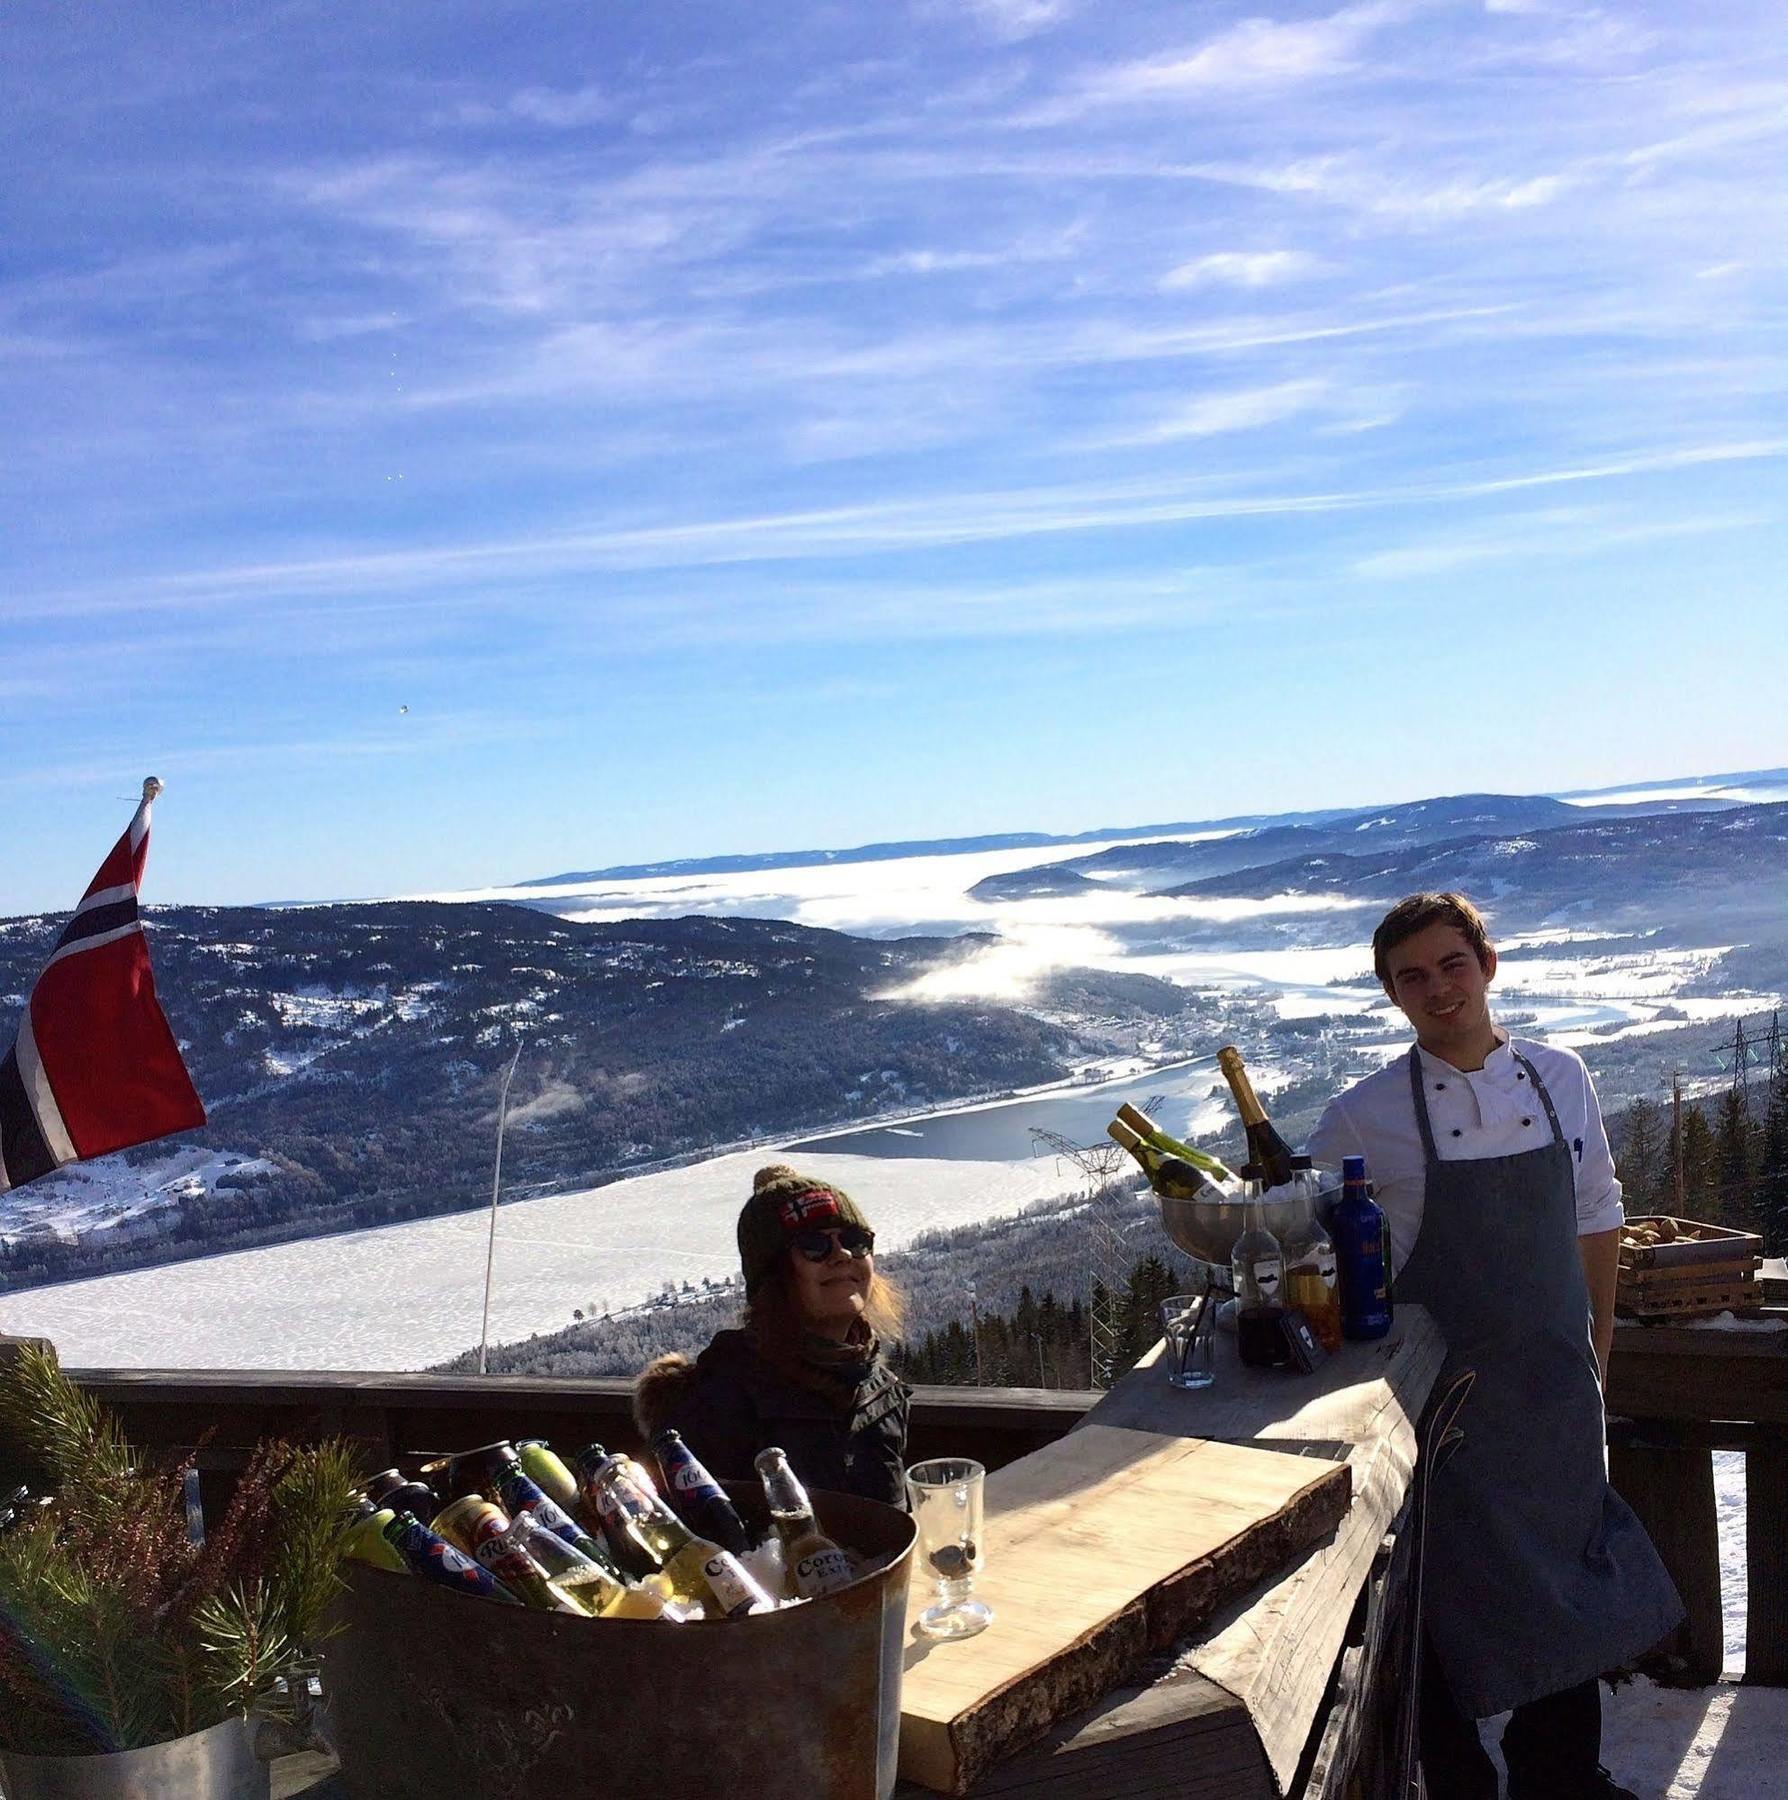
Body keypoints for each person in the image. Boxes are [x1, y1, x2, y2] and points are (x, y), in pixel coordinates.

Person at [1309, 892, 1682, 1800]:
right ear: (1392, 996)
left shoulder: (1561, 1076)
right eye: (1413, 977)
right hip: (1440, 1405)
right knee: (1436, 1599)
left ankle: (1561, 1779)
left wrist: (1595, 1352)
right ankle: (1458, 1778)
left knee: (1571, 1591)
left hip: (1552, 1389)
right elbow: (1322, 1252)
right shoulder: (1364, 1116)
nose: (1438, 989)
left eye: (1452, 964)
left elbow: (1598, 1214)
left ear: (1488, 964)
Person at [634, 1163, 910, 1507]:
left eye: (855, 1241)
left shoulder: (879, 1389)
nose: (841, 1255)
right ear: (773, 1276)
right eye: (814, 1245)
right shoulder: (719, 1402)